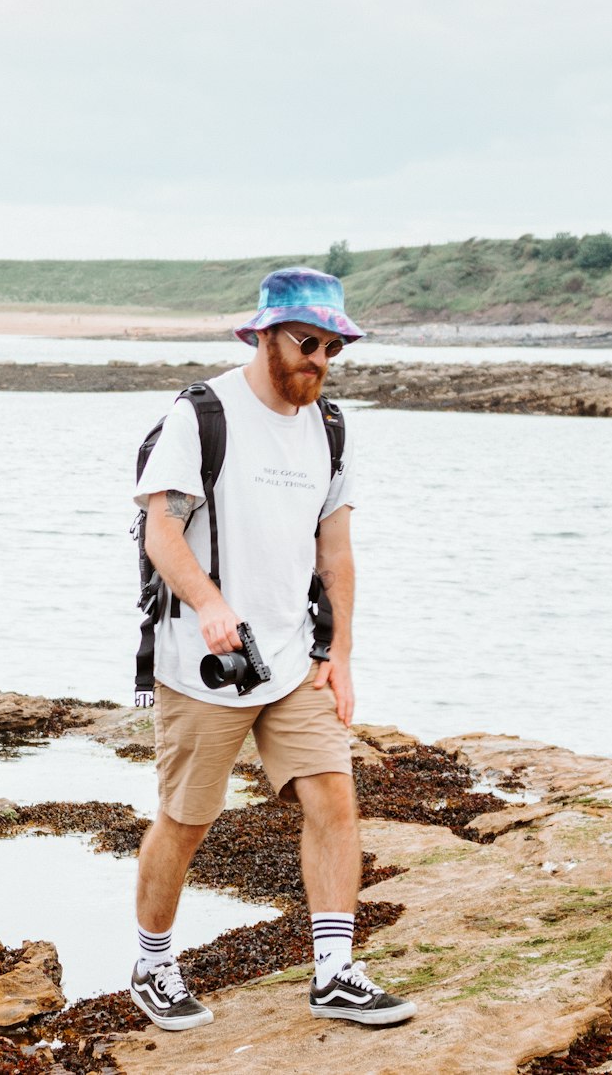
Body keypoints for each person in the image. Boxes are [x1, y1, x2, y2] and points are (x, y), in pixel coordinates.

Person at [130, 266, 415, 1031]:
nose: (320, 360)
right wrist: (210, 603)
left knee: (334, 799)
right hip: (202, 659)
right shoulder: (203, 413)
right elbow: (162, 529)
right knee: (186, 820)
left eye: (333, 347)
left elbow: (338, 548)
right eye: (307, 342)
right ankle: (153, 963)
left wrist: (342, 654)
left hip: (294, 659)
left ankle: (334, 973)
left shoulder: (331, 427)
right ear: (262, 335)